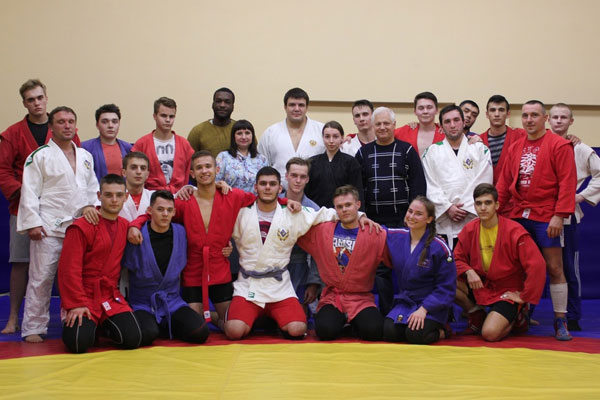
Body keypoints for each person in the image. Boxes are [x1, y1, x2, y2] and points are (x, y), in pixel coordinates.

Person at [224, 167, 374, 340]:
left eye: (272, 184)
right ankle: (249, 319)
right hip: (248, 285)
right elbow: (218, 219)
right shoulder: (241, 213)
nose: (267, 187)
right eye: (263, 184)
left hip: (278, 287)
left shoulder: (292, 213)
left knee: (297, 329)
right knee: (234, 331)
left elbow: (325, 214)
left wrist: (360, 216)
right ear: (255, 187)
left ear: (279, 188)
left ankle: (269, 319)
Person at [128, 151, 258, 329]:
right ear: (192, 173)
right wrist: (135, 225)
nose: (204, 171)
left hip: (219, 267)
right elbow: (155, 215)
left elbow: (262, 199)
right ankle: (206, 316)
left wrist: (287, 202)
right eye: (199, 168)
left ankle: (213, 317)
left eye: (208, 166)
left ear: (217, 169)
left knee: (232, 326)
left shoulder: (232, 196)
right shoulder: (183, 201)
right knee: (196, 326)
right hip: (193, 270)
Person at [496, 100, 577, 341]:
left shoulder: (559, 145)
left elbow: (568, 183)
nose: (529, 120)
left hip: (546, 216)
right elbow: (504, 182)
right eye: (525, 115)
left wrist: (559, 215)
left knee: (554, 267)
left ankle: (560, 319)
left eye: (534, 115)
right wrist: (495, 211)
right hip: (519, 214)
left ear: (545, 118)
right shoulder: (516, 147)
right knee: (519, 268)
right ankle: (522, 314)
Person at [17, 106, 98, 342]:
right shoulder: (39, 156)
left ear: (76, 126)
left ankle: (70, 320)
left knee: (74, 278)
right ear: (51, 127)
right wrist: (32, 223)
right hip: (48, 227)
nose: (67, 125)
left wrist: (91, 207)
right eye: (61, 122)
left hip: (78, 228)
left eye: (71, 121)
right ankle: (33, 327)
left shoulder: (85, 156)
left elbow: (92, 189)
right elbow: (29, 191)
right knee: (42, 277)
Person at [59, 174, 141, 353]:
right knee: (78, 342)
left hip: (110, 295)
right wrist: (76, 303)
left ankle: (101, 326)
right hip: (84, 295)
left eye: (119, 195)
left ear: (126, 197)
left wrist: (135, 226)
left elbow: (148, 217)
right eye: (108, 195)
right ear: (99, 196)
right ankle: (91, 326)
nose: (114, 200)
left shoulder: (125, 226)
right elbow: (68, 269)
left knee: (133, 338)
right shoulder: (82, 226)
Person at [356, 106, 426, 315]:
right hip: (374, 222)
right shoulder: (363, 153)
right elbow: (359, 187)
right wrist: (363, 215)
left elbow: (418, 185)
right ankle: (387, 313)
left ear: (394, 125)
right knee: (380, 269)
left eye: (386, 123)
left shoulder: (407, 150)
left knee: (408, 266)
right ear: (373, 126)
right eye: (378, 124)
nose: (382, 127)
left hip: (404, 221)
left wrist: (413, 217)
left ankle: (411, 309)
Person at [454, 184, 546, 340]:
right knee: (447, 280)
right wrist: (468, 271)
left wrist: (524, 296)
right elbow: (456, 259)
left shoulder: (514, 231)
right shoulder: (469, 229)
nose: (483, 208)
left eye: (488, 203)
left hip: (507, 291)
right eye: (479, 203)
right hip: (482, 286)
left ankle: (518, 317)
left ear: (497, 205)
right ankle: (476, 314)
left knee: (489, 334)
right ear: (474, 206)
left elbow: (537, 265)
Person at [297, 185, 388, 341]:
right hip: (333, 297)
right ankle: (342, 323)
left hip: (360, 298)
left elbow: (397, 249)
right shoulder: (322, 231)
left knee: (374, 331)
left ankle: (352, 324)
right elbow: (295, 229)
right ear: (335, 209)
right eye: (340, 207)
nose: (344, 210)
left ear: (358, 205)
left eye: (348, 205)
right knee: (324, 331)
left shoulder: (373, 232)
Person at [123, 190, 209, 345]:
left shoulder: (180, 232)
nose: (165, 214)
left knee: (200, 331)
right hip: (143, 303)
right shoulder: (136, 235)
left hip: (171, 301)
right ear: (149, 211)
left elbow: (202, 242)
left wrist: (225, 247)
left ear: (174, 212)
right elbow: (125, 265)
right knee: (148, 333)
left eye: (169, 210)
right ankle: (158, 325)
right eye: (160, 209)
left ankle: (163, 324)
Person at [0, 79, 49, 334]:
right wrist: (25, 194)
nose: (36, 103)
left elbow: (74, 165)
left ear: (46, 98)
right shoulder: (12, 134)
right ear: (24, 103)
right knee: (20, 263)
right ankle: (13, 318)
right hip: (22, 207)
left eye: (39, 98)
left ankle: (59, 317)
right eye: (31, 100)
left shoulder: (62, 127)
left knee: (58, 262)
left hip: (55, 209)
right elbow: (3, 170)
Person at [549, 103, 600, 331]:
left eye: (563, 117)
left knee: (569, 267)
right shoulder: (540, 144)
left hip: (568, 217)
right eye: (555, 117)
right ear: (548, 120)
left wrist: (581, 196)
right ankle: (525, 314)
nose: (559, 121)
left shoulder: (580, 149)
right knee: (535, 266)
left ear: (571, 121)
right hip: (540, 215)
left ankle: (572, 315)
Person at [383, 196, 456, 344]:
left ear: (429, 219)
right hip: (406, 302)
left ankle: (443, 330)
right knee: (390, 333)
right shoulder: (396, 236)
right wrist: (362, 216)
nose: (411, 216)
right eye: (410, 211)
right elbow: (374, 231)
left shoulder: (440, 247)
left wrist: (424, 309)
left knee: (415, 335)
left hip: (431, 305)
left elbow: (446, 287)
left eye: (418, 214)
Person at [421, 104, 493, 249]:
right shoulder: (431, 152)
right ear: (441, 126)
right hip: (443, 223)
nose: (452, 125)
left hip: (473, 218)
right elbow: (430, 185)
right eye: (447, 122)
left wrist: (465, 207)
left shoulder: (480, 149)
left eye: (456, 120)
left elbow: (484, 182)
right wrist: (447, 207)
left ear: (463, 122)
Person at [258, 87, 325, 189]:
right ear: (285, 107)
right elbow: (260, 165)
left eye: (301, 105)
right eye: (292, 105)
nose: (296, 109)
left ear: (307, 107)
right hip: (279, 193)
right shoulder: (271, 133)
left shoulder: (322, 131)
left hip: (315, 191)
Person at [279, 158, 321, 310]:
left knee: (298, 315)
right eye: (294, 175)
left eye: (302, 177)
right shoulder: (272, 204)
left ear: (307, 179)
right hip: (272, 268)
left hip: (300, 269)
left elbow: (318, 251)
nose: (298, 181)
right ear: (286, 176)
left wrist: (313, 282)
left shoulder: (313, 210)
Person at [131, 97, 194, 193]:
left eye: (171, 116)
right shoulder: (142, 144)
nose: (168, 120)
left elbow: (188, 173)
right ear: (154, 116)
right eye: (163, 116)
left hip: (179, 195)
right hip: (150, 196)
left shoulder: (184, 144)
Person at [305, 121, 364, 209]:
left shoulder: (351, 162)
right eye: (327, 137)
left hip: (343, 211)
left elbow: (357, 192)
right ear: (323, 138)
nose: (331, 141)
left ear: (342, 138)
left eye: (335, 137)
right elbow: (306, 193)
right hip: (317, 211)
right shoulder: (312, 163)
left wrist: (360, 213)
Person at [479, 95, 526, 184]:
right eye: (493, 110)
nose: (497, 114)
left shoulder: (521, 136)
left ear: (508, 114)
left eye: (501, 110)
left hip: (511, 190)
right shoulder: (479, 141)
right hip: (486, 190)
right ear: (487, 114)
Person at [81, 104, 132, 182]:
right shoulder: (85, 148)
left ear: (119, 124)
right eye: (105, 122)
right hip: (96, 189)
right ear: (97, 125)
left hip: (123, 189)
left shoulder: (128, 148)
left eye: (114, 122)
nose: (110, 125)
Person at [215, 119, 268, 193]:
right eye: (239, 133)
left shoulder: (262, 159)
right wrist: (220, 184)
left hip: (255, 199)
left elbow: (267, 183)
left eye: (247, 133)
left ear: (252, 136)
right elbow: (213, 181)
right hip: (230, 198)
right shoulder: (223, 157)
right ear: (233, 137)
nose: (243, 137)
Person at [187, 88, 236, 158]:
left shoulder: (240, 130)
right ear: (213, 105)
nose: (222, 105)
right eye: (218, 101)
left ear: (233, 106)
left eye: (227, 102)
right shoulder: (198, 131)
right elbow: (188, 160)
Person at [394, 91, 445, 156]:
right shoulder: (405, 131)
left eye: (429, 107)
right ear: (415, 111)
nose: (425, 111)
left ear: (436, 110)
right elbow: (383, 135)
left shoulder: (444, 133)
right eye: (421, 108)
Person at [119, 152, 153, 221]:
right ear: (124, 172)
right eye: (133, 167)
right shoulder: (113, 197)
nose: (138, 172)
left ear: (147, 174)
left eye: (143, 168)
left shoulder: (155, 197)